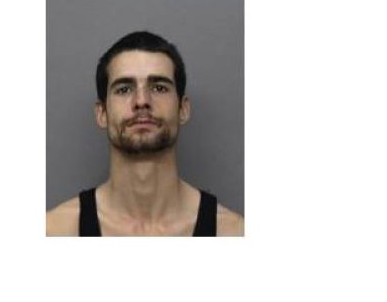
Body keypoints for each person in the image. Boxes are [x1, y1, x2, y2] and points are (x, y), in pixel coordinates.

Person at [47, 31, 244, 236]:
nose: (142, 101)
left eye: (159, 88)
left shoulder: (233, 231)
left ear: (183, 109)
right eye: (124, 89)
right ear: (102, 113)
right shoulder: (54, 231)